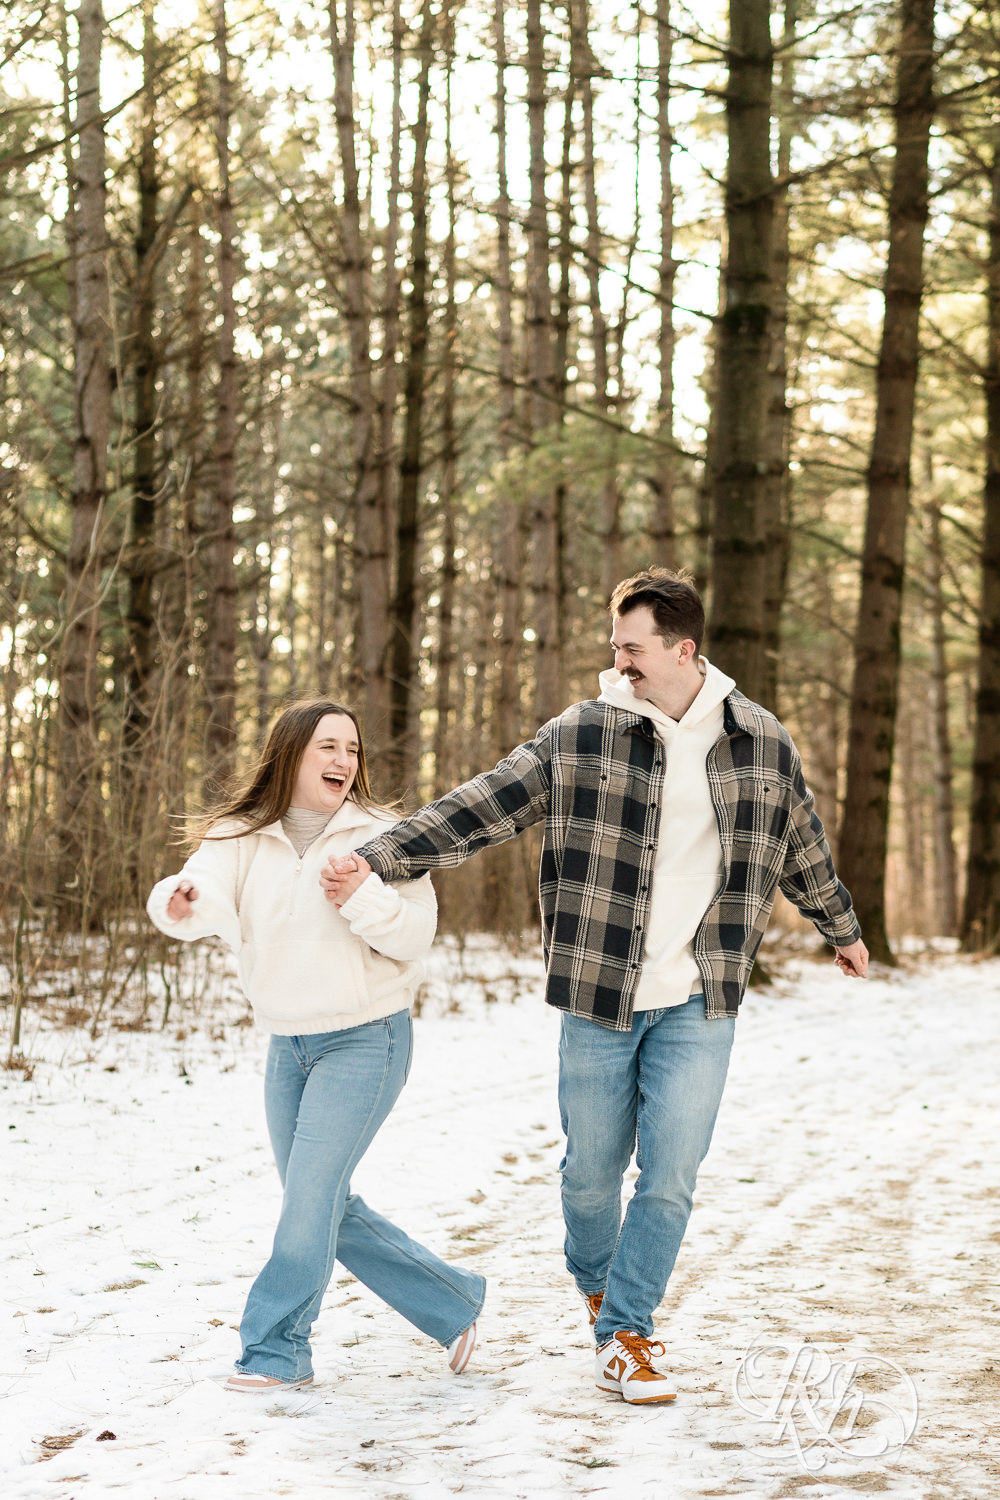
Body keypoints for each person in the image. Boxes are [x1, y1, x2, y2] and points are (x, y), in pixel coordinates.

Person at [321, 570, 868, 1406]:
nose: (619, 661)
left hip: (702, 994)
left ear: (684, 650)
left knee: (672, 1173)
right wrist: (385, 856)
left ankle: (628, 1331)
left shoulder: (760, 739)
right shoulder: (585, 732)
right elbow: (486, 803)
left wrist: (841, 927)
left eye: (633, 648)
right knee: (590, 1174)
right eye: (616, 646)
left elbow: (802, 841)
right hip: (599, 992)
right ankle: (600, 1284)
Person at [147, 698, 484, 1393]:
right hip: (287, 1043)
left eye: (352, 749)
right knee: (321, 1200)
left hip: (367, 1037)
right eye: (327, 746)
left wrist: (362, 893)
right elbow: (202, 889)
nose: (342, 760)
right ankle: (452, 1300)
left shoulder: (385, 834)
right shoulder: (241, 834)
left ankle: (275, 1350)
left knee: (309, 1200)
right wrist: (180, 903)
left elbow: (415, 935)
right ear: (290, 754)